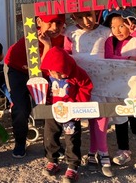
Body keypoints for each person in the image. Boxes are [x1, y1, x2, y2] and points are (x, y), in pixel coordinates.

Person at [4, 13, 66, 158]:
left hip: (44, 73)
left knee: (50, 107)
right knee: (20, 107)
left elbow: (47, 69)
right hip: (17, 69)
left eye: (59, 23)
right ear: (39, 21)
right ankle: (20, 142)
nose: (55, 27)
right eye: (49, 23)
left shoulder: (64, 37)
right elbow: (40, 68)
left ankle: (52, 146)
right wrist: (47, 45)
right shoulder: (33, 36)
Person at [64, 5, 114, 178]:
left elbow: (110, 56)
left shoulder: (106, 32)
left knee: (101, 117)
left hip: (102, 81)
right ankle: (93, 152)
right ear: (74, 18)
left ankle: (103, 153)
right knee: (88, 115)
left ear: (96, 13)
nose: (87, 21)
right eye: (81, 17)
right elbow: (66, 57)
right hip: (81, 84)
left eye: (90, 15)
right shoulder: (70, 33)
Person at [103, 11, 136, 173]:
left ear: (130, 24)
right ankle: (123, 149)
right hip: (118, 89)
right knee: (119, 120)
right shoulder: (110, 42)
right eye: (113, 26)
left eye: (121, 26)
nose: (117, 30)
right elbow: (108, 57)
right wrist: (128, 60)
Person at [41, 47, 93, 183]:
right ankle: (53, 160)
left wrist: (79, 107)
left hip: (70, 111)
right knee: (50, 135)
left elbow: (86, 86)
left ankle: (73, 166)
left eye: (61, 74)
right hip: (52, 110)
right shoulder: (46, 74)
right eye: (54, 73)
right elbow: (41, 86)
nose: (58, 77)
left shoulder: (76, 73)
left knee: (72, 139)